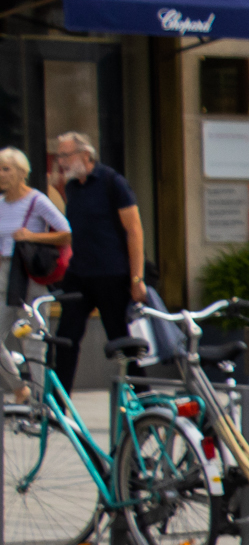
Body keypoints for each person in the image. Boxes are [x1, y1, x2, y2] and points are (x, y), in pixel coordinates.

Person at [47, 131, 143, 381]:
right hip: (79, 274)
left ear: (86, 154)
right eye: (59, 156)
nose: (61, 161)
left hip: (111, 275)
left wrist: (137, 278)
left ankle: (144, 405)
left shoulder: (113, 182)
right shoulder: (71, 187)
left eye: (66, 155)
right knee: (65, 341)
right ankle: (59, 409)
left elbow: (134, 230)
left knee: (121, 342)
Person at [0, 145, 70, 304]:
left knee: (30, 323)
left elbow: (68, 235)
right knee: (3, 325)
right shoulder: (1, 204)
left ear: (22, 172)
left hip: (28, 268)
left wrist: (31, 236)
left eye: (6, 169)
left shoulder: (37, 200)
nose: (1, 175)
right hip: (4, 269)